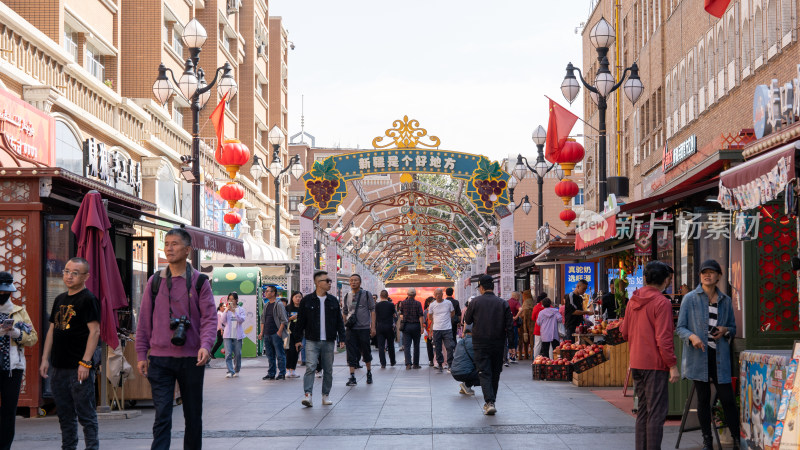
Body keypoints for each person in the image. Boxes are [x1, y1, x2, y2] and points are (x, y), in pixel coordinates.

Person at [135, 228, 217, 450]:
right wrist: (142, 354)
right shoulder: (155, 282)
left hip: (192, 358)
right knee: (162, 414)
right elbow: (144, 322)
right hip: (160, 359)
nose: (169, 248)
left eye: (175, 244)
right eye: (167, 244)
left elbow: (210, 318)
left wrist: (206, 346)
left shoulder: (200, 282)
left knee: (193, 415)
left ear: (188, 250)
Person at [676, 260, 739, 450]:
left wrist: (725, 329)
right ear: (700, 275)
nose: (707, 275)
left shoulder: (726, 301)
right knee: (703, 400)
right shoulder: (690, 298)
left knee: (727, 398)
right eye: (704, 272)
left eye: (712, 272)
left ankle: (736, 439)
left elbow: (733, 329)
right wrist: (692, 336)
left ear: (719, 276)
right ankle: (707, 440)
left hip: (720, 357)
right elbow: (680, 328)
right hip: (699, 356)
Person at [40, 257, 101, 450]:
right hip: (58, 367)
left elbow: (95, 331)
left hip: (78, 368)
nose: (69, 276)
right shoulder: (59, 299)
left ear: (86, 276)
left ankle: (92, 447)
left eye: (75, 273)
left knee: (86, 414)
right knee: (65, 415)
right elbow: (52, 330)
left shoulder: (88, 299)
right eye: (66, 271)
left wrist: (85, 363)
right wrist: (44, 359)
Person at [620, 260, 680, 450]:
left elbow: (624, 332)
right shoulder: (662, 302)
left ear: (645, 278)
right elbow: (664, 339)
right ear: (665, 281)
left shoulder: (633, 300)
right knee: (656, 413)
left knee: (644, 412)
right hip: (655, 364)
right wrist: (672, 365)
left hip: (636, 361)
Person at [294, 271, 346, 407]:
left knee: (328, 369)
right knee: (310, 367)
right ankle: (308, 395)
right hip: (312, 339)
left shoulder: (333, 300)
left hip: (329, 340)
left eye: (330, 281)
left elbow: (339, 321)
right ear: (318, 283)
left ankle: (325, 395)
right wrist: (298, 339)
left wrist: (342, 338)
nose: (329, 283)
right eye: (326, 280)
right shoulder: (307, 300)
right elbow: (300, 322)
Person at [464, 274, 513, 416]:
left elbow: (467, 319)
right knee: (495, 372)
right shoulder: (503, 303)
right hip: (498, 342)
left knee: (484, 371)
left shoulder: (475, 302)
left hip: (480, 342)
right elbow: (509, 325)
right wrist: (511, 346)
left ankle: (489, 402)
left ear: (482, 287)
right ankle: (492, 401)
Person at [0, 271, 37, 450]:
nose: (2, 295)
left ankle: (5, 446)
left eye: (5, 291)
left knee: (9, 410)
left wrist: (17, 333)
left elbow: (33, 338)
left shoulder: (19, 312)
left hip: (12, 368)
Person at [341, 274, 376, 386]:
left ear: (360, 282)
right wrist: (345, 324)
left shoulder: (366, 294)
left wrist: (373, 327)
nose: (353, 282)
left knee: (366, 350)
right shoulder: (347, 295)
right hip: (351, 329)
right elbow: (345, 311)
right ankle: (352, 376)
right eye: (351, 280)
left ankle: (369, 372)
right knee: (350, 352)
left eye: (356, 280)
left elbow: (372, 311)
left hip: (364, 328)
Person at [259, 286, 288, 380]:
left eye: (267, 291)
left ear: (273, 293)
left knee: (280, 354)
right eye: (265, 291)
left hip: (276, 333)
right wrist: (261, 332)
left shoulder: (278, 304)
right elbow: (262, 320)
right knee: (270, 355)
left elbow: (284, 320)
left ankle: (282, 373)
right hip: (267, 333)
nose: (265, 293)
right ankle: (271, 373)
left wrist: (279, 332)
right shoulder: (267, 305)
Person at [428, 288, 455, 372]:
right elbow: (430, 316)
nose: (438, 296)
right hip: (437, 329)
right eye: (436, 294)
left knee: (449, 347)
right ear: (434, 295)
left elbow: (452, 313)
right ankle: (440, 364)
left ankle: (450, 364)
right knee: (437, 348)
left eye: (439, 294)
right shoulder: (432, 305)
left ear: (442, 294)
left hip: (447, 328)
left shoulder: (448, 303)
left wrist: (446, 319)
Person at [398, 288, 425, 369]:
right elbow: (420, 316)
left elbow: (401, 315)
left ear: (407, 294)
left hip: (406, 326)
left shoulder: (403, 303)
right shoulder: (418, 303)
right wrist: (421, 327)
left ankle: (408, 364)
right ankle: (416, 364)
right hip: (416, 326)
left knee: (407, 346)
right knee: (416, 345)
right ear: (415, 295)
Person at [450, 324, 479, 396]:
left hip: (454, 372)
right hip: (463, 373)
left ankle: (465, 386)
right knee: (485, 372)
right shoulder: (474, 343)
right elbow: (479, 360)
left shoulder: (460, 341)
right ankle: (467, 385)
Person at [221, 292, 245, 378]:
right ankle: (229, 371)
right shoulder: (226, 310)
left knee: (238, 353)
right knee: (228, 354)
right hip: (227, 335)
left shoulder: (241, 309)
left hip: (237, 335)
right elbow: (222, 320)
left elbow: (241, 320)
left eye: (232, 299)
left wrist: (234, 311)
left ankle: (236, 370)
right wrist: (226, 310)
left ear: (236, 300)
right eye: (229, 299)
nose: (231, 301)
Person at [375, 290, 396, 368]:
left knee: (381, 346)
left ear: (380, 296)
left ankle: (383, 363)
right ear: (387, 296)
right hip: (389, 327)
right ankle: (392, 361)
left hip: (379, 326)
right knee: (390, 345)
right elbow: (394, 315)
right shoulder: (391, 304)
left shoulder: (377, 305)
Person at [285, 291, 304, 378]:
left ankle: (293, 369)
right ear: (292, 298)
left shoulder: (303, 308)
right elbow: (283, 320)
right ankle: (287, 369)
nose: (298, 299)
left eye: (300, 297)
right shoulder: (288, 308)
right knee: (289, 351)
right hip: (289, 333)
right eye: (296, 297)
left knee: (297, 351)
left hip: (299, 333)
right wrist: (290, 318)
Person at [517, 290, 535, 360]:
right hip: (531, 323)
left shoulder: (523, 306)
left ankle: (522, 355)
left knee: (522, 337)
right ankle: (532, 355)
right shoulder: (532, 305)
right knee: (531, 337)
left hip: (522, 322)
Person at [506, 291, 521, 363]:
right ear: (517, 296)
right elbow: (521, 309)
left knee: (506, 341)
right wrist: (515, 317)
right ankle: (512, 357)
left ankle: (506, 357)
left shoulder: (506, 302)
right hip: (513, 325)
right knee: (513, 341)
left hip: (506, 325)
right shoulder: (516, 302)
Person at [530, 292, 546, 358]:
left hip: (538, 328)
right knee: (548, 345)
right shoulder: (550, 307)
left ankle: (535, 359)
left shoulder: (536, 307)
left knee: (537, 345)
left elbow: (533, 318)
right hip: (547, 329)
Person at [423, 296, 435, 366]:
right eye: (432, 302)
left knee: (437, 346)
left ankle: (436, 360)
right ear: (428, 303)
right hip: (428, 331)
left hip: (436, 330)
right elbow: (424, 322)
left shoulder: (437, 310)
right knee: (429, 346)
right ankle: (431, 360)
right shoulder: (425, 311)